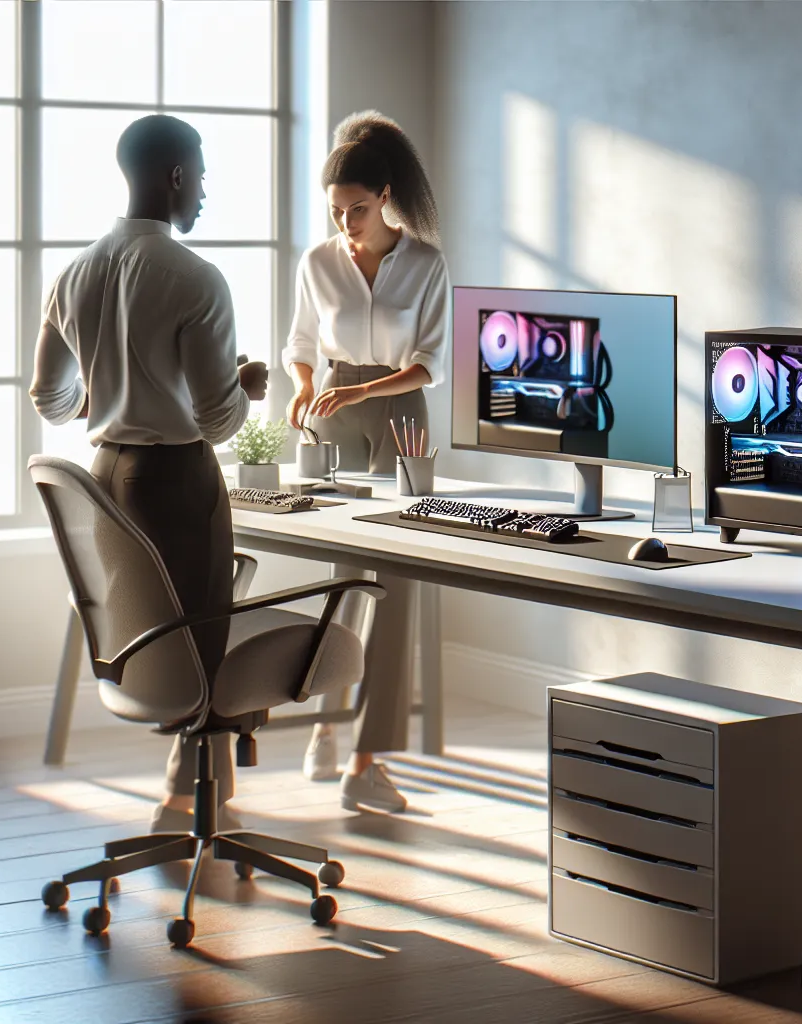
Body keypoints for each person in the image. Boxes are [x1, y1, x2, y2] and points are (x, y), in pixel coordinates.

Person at [30, 114, 269, 833]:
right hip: (178, 480)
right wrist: (245, 383)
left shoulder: (75, 274)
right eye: (200, 176)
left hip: (108, 477)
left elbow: (50, 397)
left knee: (155, 632)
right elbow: (220, 419)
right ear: (174, 176)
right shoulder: (195, 278)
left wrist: (108, 396)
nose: (203, 193)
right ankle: (186, 803)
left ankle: (199, 792)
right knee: (198, 636)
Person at [282, 111, 448, 813]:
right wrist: (304, 388)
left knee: (399, 581)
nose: (345, 223)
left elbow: (427, 365)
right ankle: (326, 728)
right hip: (334, 414)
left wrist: (360, 386)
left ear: (385, 196)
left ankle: (369, 759)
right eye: (335, 212)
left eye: (356, 209)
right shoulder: (318, 263)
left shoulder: (427, 265)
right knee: (343, 581)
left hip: (401, 415)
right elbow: (301, 342)